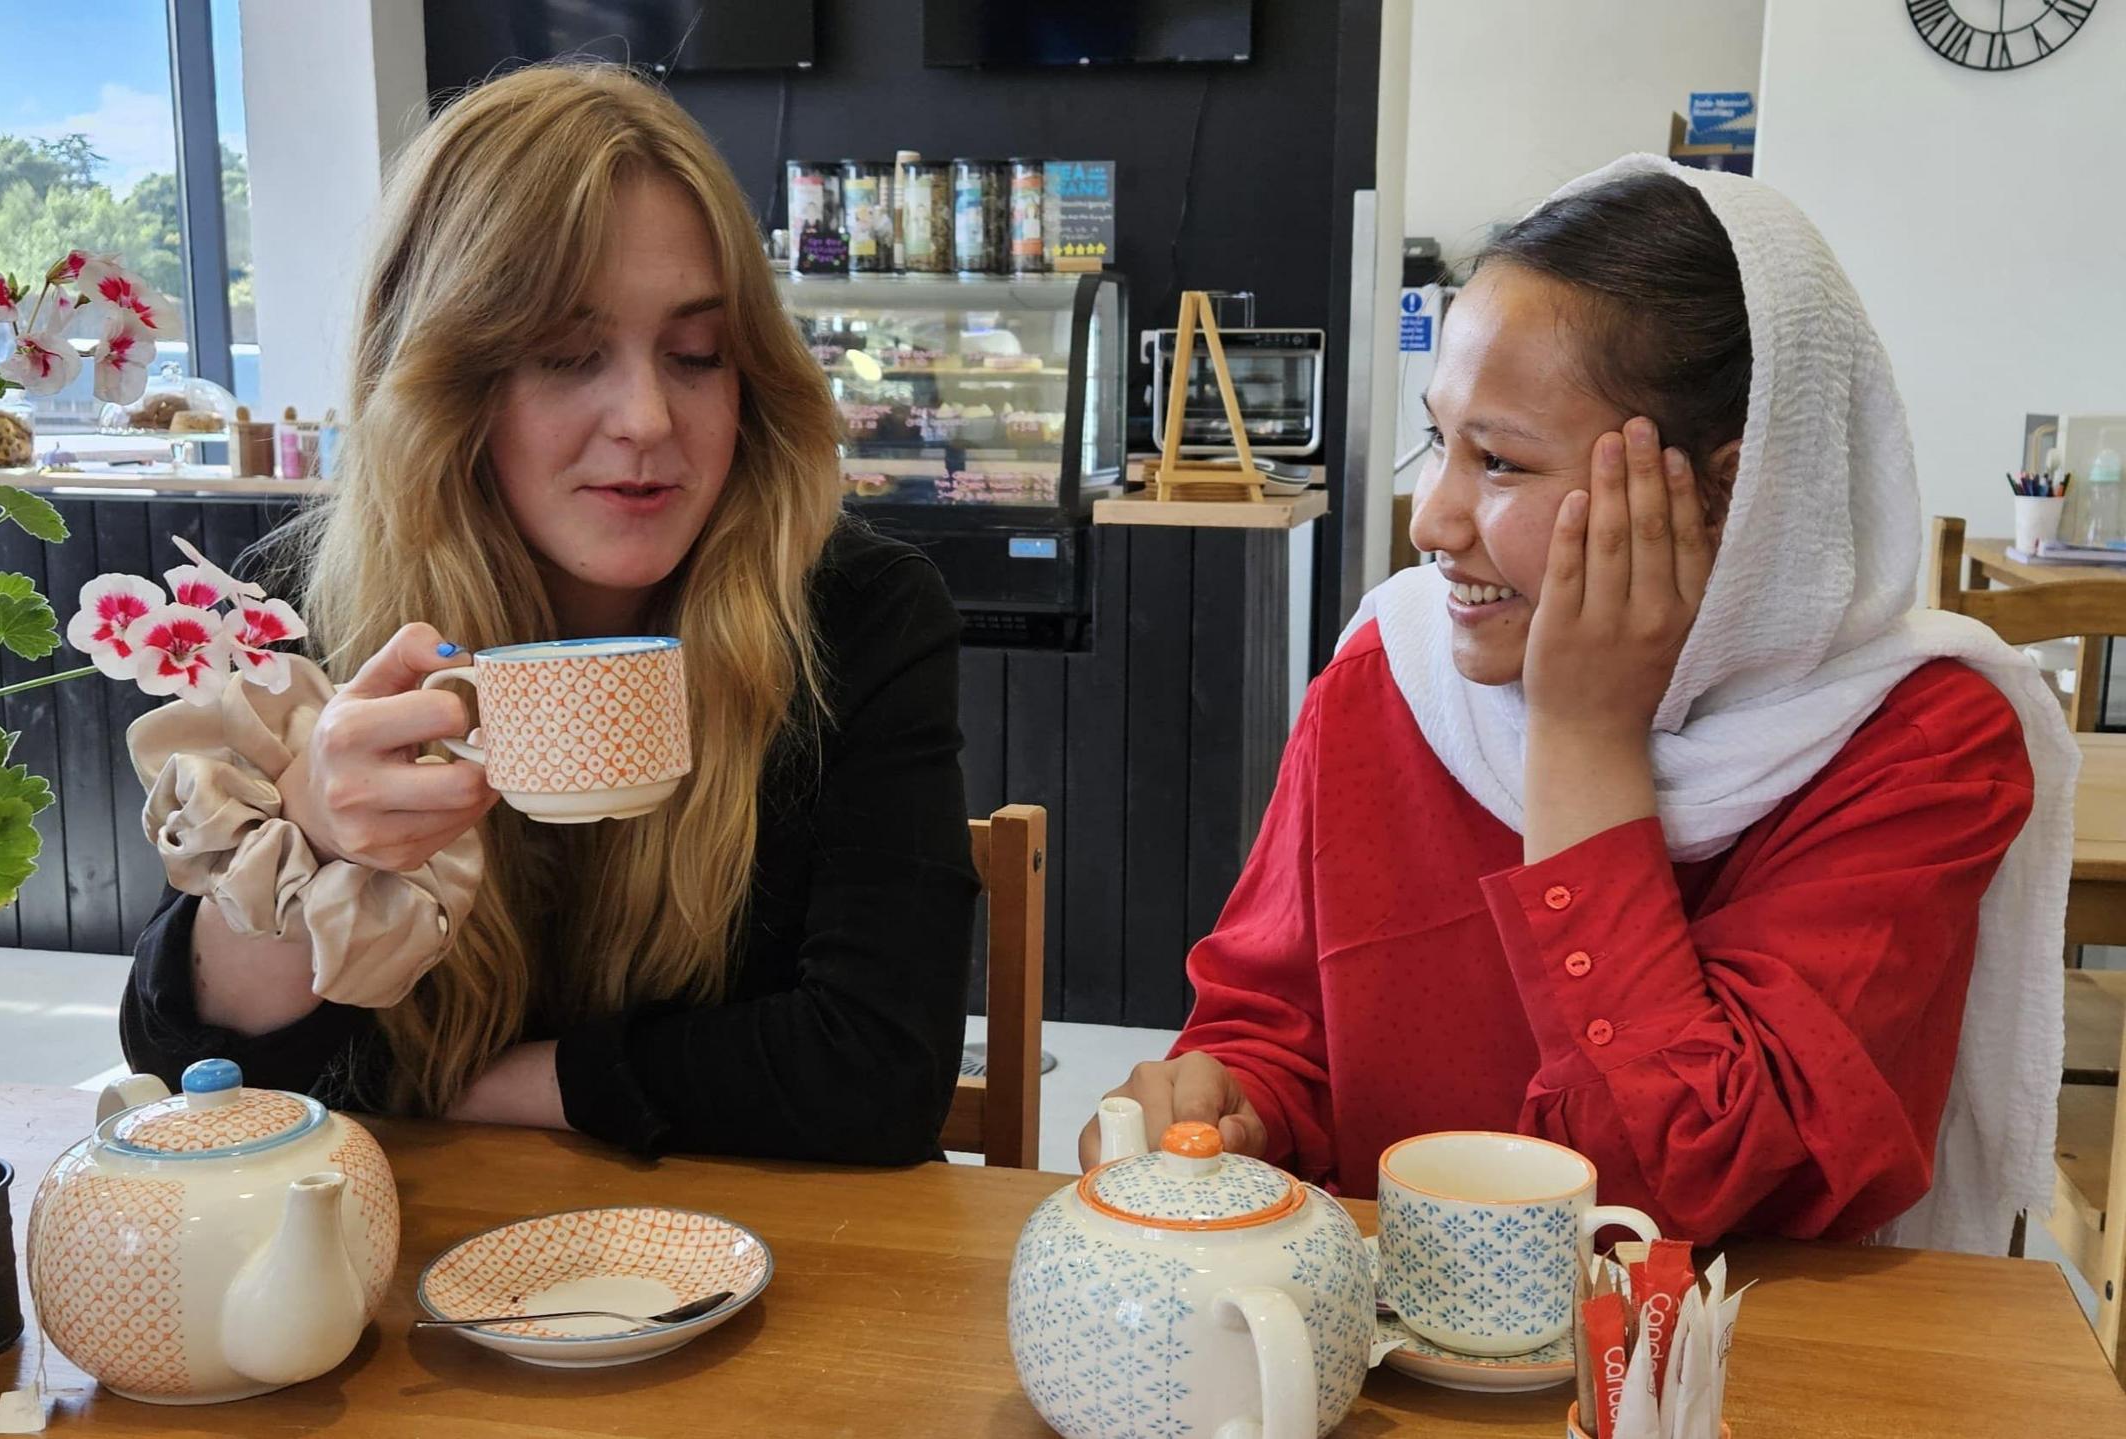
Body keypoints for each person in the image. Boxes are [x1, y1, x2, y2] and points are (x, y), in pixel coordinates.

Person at [1086, 156, 2077, 1254]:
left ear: (1723, 490)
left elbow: (1678, 1192)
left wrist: (1584, 734)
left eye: (1500, 461)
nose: (1431, 521)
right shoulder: (1391, 674)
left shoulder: (1917, 739)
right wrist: (1231, 1097)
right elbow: (1276, 1024)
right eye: (1438, 442)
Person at [115, 63, 978, 1165]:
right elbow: (198, 1060)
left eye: (695, 355)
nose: (646, 416)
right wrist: (312, 833)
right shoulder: (311, 612)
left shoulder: (853, 615)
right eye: (568, 355)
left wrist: (508, 1083)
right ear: (446, 381)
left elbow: (875, 1072)